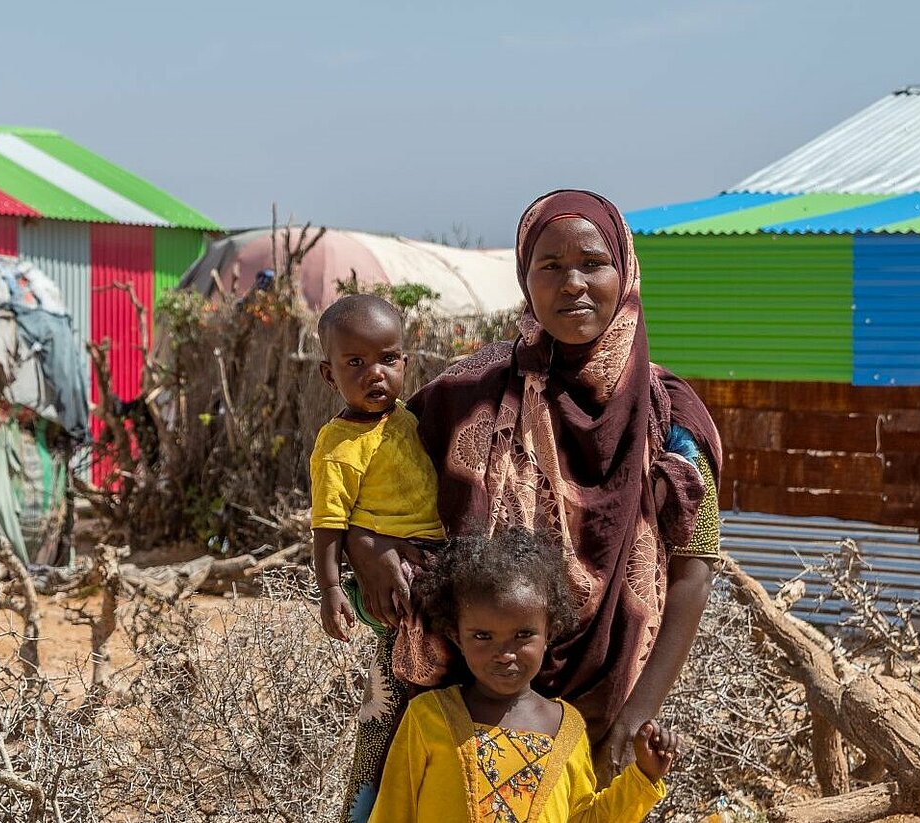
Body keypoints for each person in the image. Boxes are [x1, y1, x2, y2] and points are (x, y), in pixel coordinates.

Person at [342, 190, 722, 820]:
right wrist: (367, 544)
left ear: (624, 270)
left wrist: (638, 714)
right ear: (525, 278)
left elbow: (695, 569)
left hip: (602, 708)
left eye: (592, 262)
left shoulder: (672, 417)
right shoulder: (464, 395)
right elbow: (369, 477)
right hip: (441, 702)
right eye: (550, 265)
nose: (572, 283)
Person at [368, 530, 678, 823]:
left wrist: (643, 778)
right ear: (457, 637)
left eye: (523, 634)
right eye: (482, 636)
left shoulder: (567, 729)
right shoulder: (428, 717)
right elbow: (393, 811)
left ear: (550, 633)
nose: (505, 653)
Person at [308, 294, 453, 818]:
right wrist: (328, 591)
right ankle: (375, 797)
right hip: (395, 579)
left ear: (405, 364)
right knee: (402, 679)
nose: (376, 374)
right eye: (355, 363)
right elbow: (328, 525)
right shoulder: (338, 445)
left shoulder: (412, 420)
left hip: (433, 556)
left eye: (388, 359)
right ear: (329, 375)